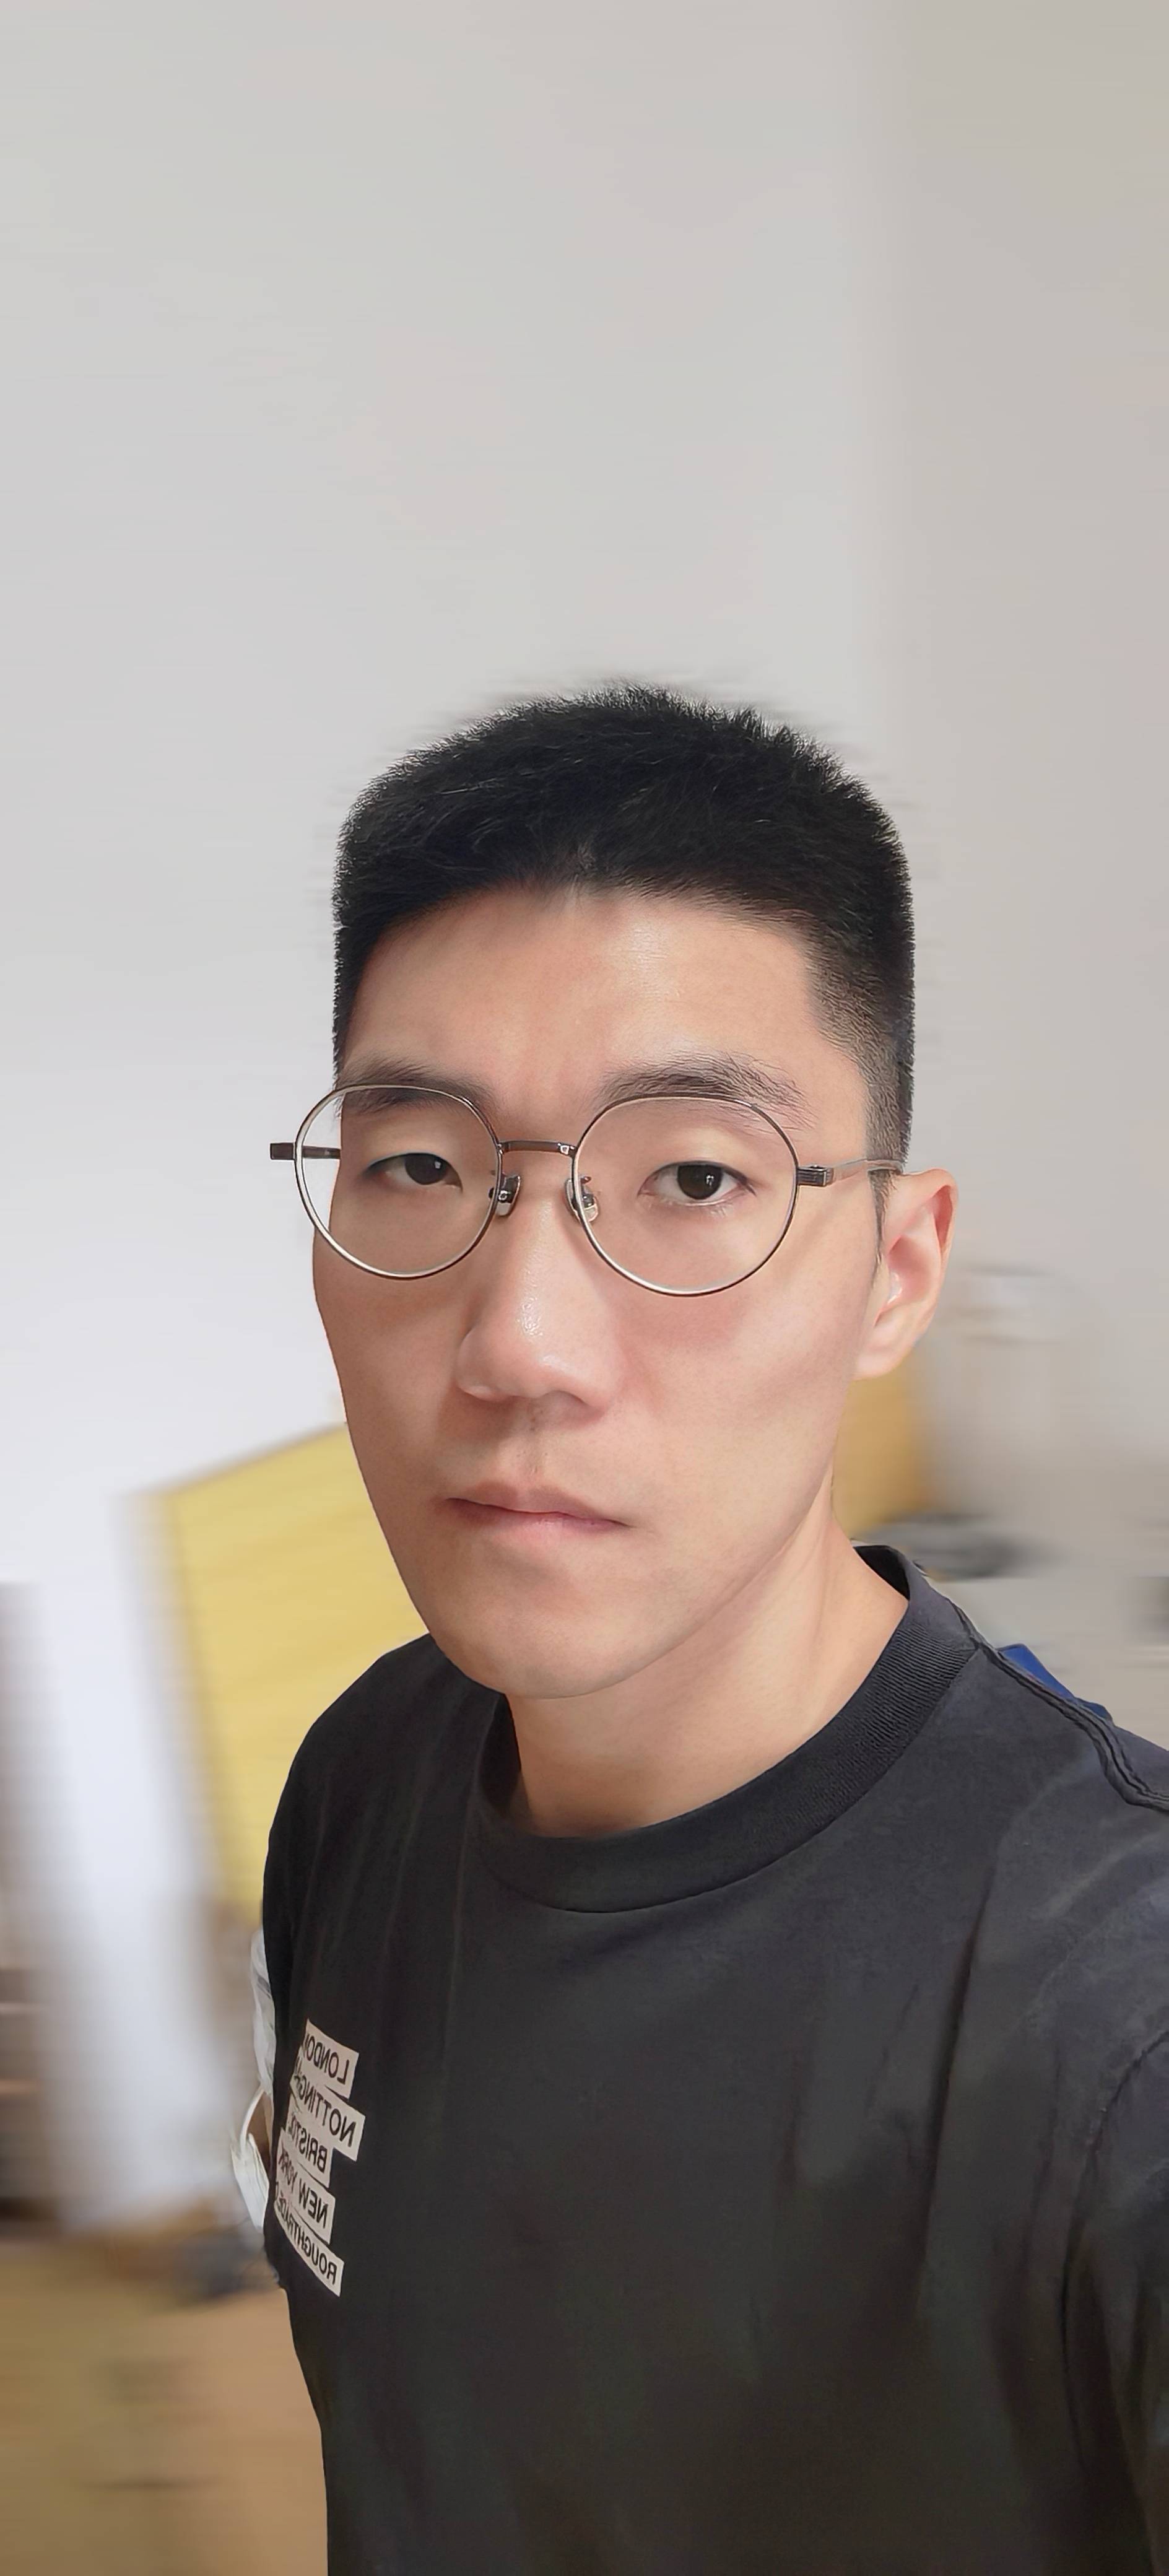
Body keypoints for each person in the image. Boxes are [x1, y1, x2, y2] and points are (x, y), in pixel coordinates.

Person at [248, 685, 1169, 2574]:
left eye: (692, 1180)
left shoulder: (1116, 2024)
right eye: (419, 1167)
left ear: (896, 1269)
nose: (519, 1344)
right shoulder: (361, 1780)